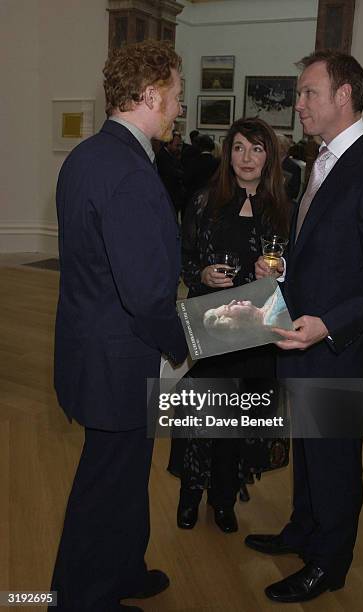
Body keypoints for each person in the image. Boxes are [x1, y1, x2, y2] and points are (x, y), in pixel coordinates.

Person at [247, 50, 363, 603]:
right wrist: (284, 269)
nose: (298, 103)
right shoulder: (321, 160)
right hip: (301, 340)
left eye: (309, 92)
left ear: (344, 96)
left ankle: (329, 563)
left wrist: (328, 324)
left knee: (334, 464)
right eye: (299, 92)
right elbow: (329, 253)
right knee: (309, 453)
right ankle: (303, 532)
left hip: (337, 348)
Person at [51, 41, 187, 612]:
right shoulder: (129, 172)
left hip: (92, 353)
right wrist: (184, 347)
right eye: (176, 97)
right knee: (104, 487)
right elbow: (147, 294)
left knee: (126, 478)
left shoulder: (85, 157)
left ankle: (124, 569)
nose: (179, 108)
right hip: (120, 362)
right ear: (151, 95)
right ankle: (76, 599)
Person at [167, 117, 290, 533]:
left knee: (236, 423)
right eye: (239, 148)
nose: (247, 157)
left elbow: (297, 267)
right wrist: (201, 275)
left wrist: (277, 273)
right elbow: (182, 258)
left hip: (257, 331)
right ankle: (190, 496)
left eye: (256, 148)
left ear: (268, 155)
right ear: (227, 153)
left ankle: (223, 500)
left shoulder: (281, 209)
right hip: (211, 325)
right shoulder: (204, 201)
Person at [203, 288, 288, 334]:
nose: (233, 301)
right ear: (235, 322)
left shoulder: (266, 307)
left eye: (226, 304)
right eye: (228, 308)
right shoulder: (272, 321)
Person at [156, 130, 185, 215]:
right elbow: (172, 173)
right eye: (177, 145)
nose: (179, 148)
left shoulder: (172, 155)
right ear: (168, 144)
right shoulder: (162, 156)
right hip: (168, 195)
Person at [276, 133, 302, 200]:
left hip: (283, 204)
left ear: (283, 148)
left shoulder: (293, 168)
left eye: (275, 145)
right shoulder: (267, 163)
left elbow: (294, 192)